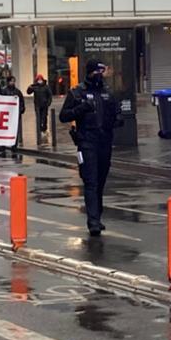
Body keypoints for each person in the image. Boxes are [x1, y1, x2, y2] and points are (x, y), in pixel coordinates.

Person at [59, 60, 120, 236]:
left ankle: (97, 216)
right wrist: (81, 109)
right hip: (86, 142)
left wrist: (116, 120)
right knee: (91, 181)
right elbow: (64, 116)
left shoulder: (107, 92)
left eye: (102, 71)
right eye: (97, 72)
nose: (100, 75)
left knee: (100, 181)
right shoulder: (77, 92)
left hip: (104, 141)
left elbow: (116, 113)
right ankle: (93, 221)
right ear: (89, 72)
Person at [27, 74, 53, 141]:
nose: (39, 81)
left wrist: (48, 103)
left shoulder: (46, 87)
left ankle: (44, 128)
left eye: (40, 79)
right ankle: (39, 130)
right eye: (38, 79)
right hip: (37, 105)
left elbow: (50, 95)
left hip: (44, 105)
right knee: (38, 118)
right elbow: (29, 92)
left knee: (44, 117)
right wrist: (29, 88)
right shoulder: (35, 86)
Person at [3, 76, 25, 151]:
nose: (12, 83)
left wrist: (20, 110)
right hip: (6, 115)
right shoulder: (4, 91)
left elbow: (22, 102)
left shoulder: (18, 92)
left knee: (15, 130)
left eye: (13, 81)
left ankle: (14, 145)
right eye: (11, 81)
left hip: (15, 115)